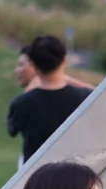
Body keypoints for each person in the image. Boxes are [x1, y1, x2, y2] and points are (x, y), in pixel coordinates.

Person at [5, 36, 92, 164]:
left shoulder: (21, 103)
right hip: (75, 171)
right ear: (64, 60)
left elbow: (12, 129)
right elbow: (100, 95)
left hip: (36, 172)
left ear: (34, 65)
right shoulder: (84, 98)